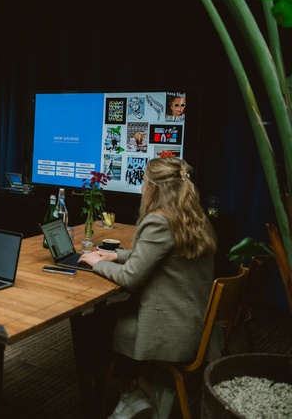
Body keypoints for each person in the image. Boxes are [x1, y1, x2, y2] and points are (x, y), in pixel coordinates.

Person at [78, 157, 219, 419]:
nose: (141, 188)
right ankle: (144, 390)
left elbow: (131, 279)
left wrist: (97, 262)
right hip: (193, 319)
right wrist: (115, 256)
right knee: (106, 319)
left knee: (89, 329)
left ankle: (134, 390)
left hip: (170, 326)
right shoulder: (193, 216)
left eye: (143, 182)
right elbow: (150, 254)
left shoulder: (159, 221)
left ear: (154, 188)